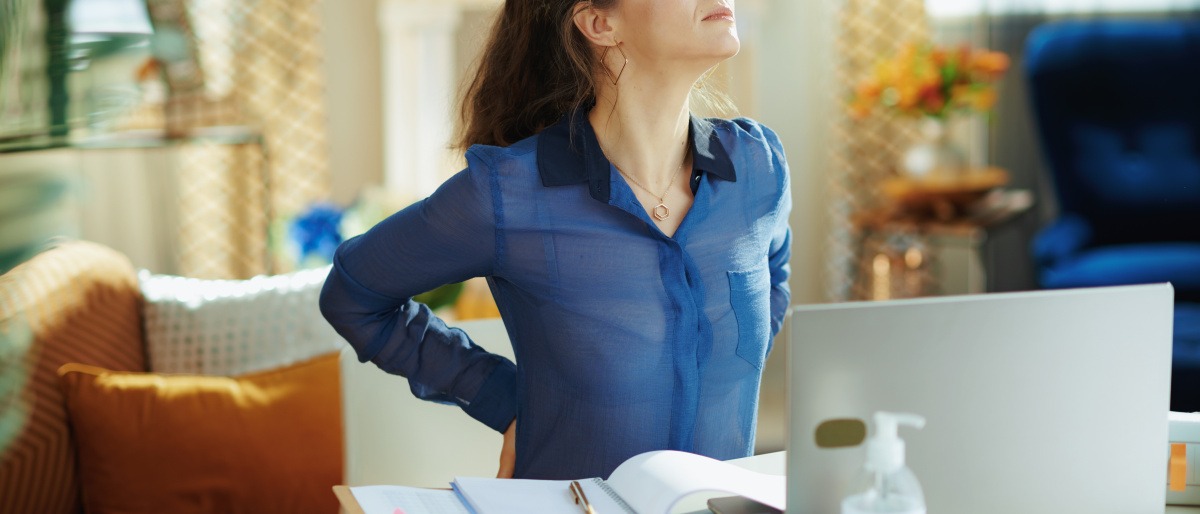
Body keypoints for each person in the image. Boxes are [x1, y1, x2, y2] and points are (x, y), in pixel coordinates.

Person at [319, 0, 792, 481]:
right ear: (599, 23)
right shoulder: (508, 193)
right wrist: (501, 398)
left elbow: (774, 277)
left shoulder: (758, 166)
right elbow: (353, 293)